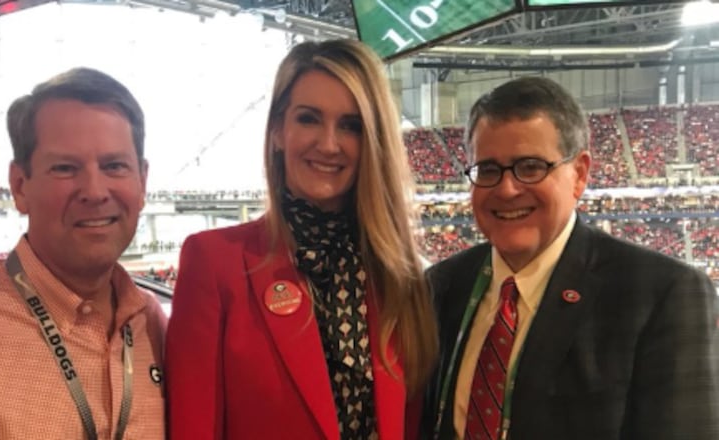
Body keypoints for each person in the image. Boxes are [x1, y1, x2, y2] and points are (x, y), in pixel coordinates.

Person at [166, 39, 438, 440]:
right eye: (309, 119)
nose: (328, 144)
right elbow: (194, 429)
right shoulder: (213, 261)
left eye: (351, 126)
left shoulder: (397, 274)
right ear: (278, 130)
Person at [420, 76, 719, 440]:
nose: (506, 188)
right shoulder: (442, 286)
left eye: (530, 167)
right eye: (488, 169)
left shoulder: (661, 293)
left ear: (579, 174)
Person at [0, 67, 167, 439]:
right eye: (65, 168)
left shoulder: (153, 325)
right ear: (20, 186)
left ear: (142, 182)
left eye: (114, 166)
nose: (94, 190)